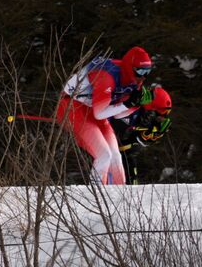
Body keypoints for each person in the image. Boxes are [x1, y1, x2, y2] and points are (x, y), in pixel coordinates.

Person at [56, 46, 153, 185]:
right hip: (72, 107)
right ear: (130, 67)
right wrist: (128, 103)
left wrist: (136, 106)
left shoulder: (133, 79)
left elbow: (118, 115)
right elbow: (100, 113)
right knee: (104, 155)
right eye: (140, 71)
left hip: (93, 109)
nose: (143, 76)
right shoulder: (107, 76)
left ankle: (121, 198)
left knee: (115, 157)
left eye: (147, 72)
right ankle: (96, 198)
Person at [110, 86, 172, 184]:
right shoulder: (130, 110)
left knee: (132, 178)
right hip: (104, 148)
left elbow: (129, 144)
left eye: (166, 112)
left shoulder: (144, 118)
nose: (163, 116)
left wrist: (151, 137)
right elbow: (121, 139)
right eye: (162, 111)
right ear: (152, 106)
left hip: (119, 152)